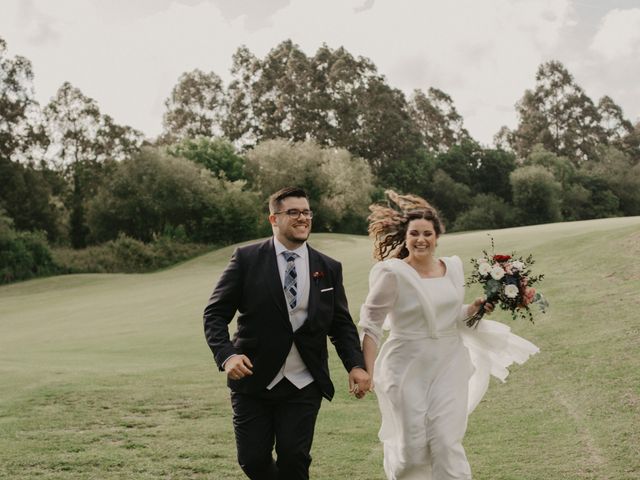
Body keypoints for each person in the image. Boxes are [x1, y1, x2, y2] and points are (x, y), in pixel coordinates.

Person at [358, 190, 539, 480]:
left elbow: (453, 315)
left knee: (445, 441)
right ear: (405, 236)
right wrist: (364, 370)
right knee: (412, 450)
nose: (421, 239)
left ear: (437, 236)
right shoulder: (392, 274)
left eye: (427, 233)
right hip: (405, 365)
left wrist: (474, 307)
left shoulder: (452, 268)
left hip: (449, 361)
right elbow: (371, 324)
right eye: (414, 233)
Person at [203, 186, 370, 480]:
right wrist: (227, 355)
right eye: (293, 212)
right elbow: (215, 314)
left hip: (304, 381)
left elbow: (341, 324)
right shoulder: (246, 259)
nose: (302, 218)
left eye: (306, 212)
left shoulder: (328, 267)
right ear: (274, 219)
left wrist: (355, 365)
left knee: (294, 459)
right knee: (253, 460)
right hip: (253, 380)